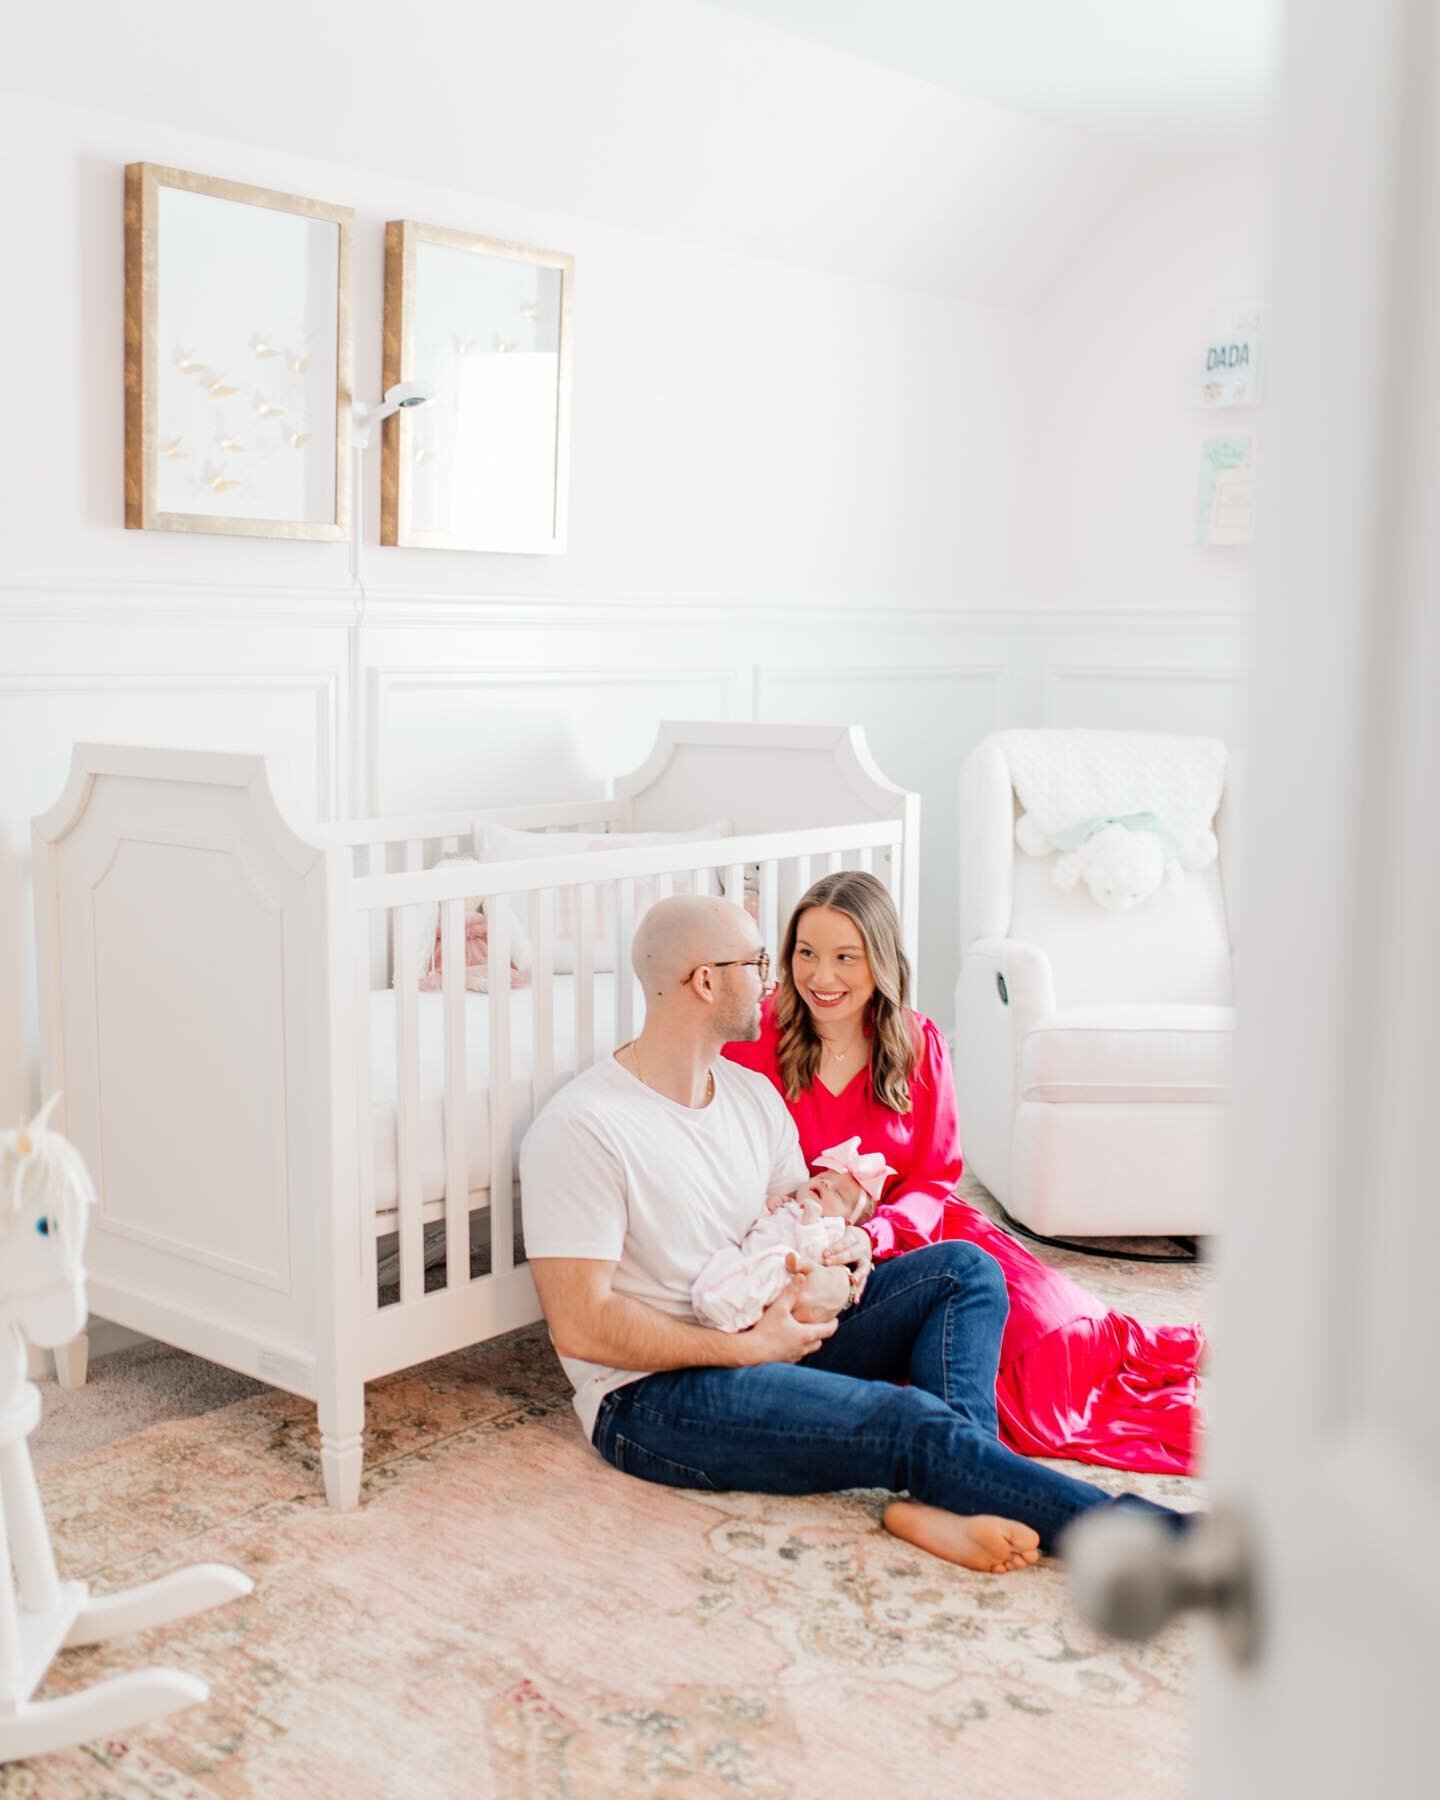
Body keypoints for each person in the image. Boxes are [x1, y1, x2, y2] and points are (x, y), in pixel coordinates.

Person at [520, 894, 1184, 1575]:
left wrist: (833, 1271)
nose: (775, 980)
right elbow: (581, 1325)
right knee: (903, 1422)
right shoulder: (585, 1127)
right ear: (707, 981)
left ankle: (957, 1502)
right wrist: (744, 1350)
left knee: (963, 1268)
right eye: (756, 962)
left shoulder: (749, 1096)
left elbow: (795, 1228)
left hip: (769, 1335)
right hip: (654, 1398)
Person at [724, 871, 1205, 1476]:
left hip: (909, 1228)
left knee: (1046, 1325)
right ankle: (968, 1467)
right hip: (803, 1244)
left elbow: (932, 1176)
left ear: (881, 961)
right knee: (992, 1380)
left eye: (846, 957)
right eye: (807, 953)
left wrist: (877, 1233)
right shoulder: (757, 1038)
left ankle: (1137, 1350)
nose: (822, 977)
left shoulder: (918, 1041)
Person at [689, 1136, 893, 1331]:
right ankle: (710, 1301)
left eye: (838, 1193)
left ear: (847, 1221)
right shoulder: (790, 1205)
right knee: (722, 1260)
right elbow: (752, 1221)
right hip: (747, 1258)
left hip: (778, 1272)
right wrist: (768, 1205)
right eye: (823, 1176)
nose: (826, 1184)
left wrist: (811, 1222)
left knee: (776, 1268)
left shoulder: (831, 1230)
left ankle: (738, 1317)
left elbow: (816, 1256)